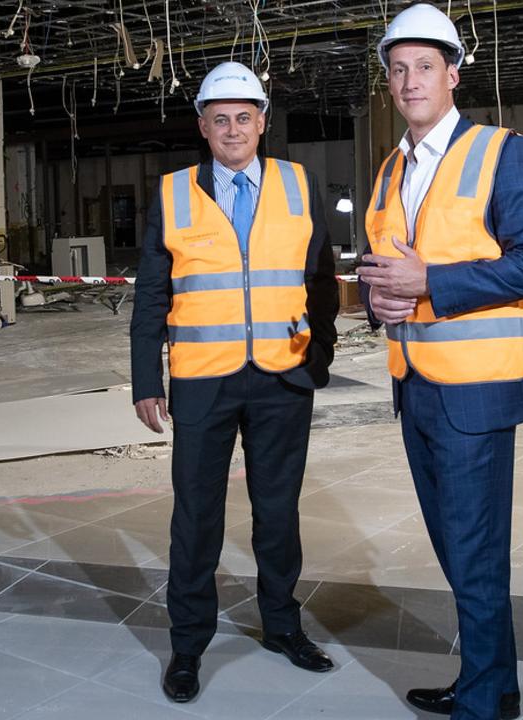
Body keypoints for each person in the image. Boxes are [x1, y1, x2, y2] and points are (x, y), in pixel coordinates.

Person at [355, 5, 523, 720]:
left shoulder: (502, 152)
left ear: (453, 75)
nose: (411, 81)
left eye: (425, 67)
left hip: (475, 392)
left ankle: (483, 705)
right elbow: (382, 267)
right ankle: (491, 684)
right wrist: (374, 296)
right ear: (389, 82)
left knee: (473, 557)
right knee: (458, 555)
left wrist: (431, 285)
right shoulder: (391, 169)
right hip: (415, 388)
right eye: (399, 69)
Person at [130, 61, 340, 704]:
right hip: (202, 381)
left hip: (281, 377)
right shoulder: (172, 194)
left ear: (262, 123)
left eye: (243, 117)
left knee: (278, 514)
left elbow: (321, 282)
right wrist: (146, 379)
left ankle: (282, 626)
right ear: (203, 126)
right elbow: (151, 298)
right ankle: (188, 646)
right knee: (196, 519)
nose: (232, 128)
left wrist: (318, 360)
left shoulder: (298, 184)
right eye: (219, 118)